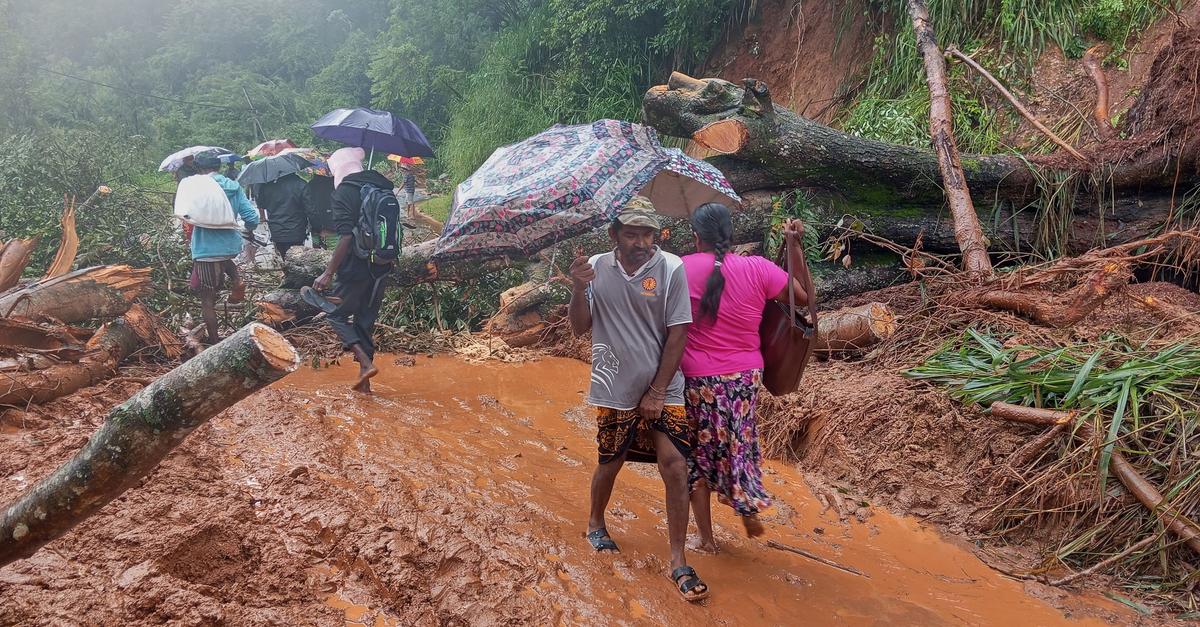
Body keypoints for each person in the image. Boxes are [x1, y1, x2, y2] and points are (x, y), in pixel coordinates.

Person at [568, 196, 708, 603]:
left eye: (648, 233)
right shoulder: (595, 268)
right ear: (614, 235)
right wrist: (579, 289)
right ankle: (596, 522)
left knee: (676, 465)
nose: (642, 241)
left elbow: (679, 331)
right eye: (632, 233)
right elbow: (580, 327)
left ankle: (678, 559)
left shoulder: (671, 267)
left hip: (665, 385)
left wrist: (659, 390)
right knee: (610, 461)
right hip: (613, 385)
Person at [680, 203, 808, 553]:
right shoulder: (759, 269)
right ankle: (745, 501)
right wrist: (794, 247)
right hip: (746, 377)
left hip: (698, 380)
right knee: (739, 441)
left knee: (698, 454)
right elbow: (804, 298)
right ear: (731, 234)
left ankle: (706, 539)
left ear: (695, 237)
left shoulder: (679, 269)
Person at [311, 147, 397, 393]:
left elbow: (346, 237)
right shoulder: (382, 187)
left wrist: (328, 273)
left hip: (354, 267)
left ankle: (365, 362)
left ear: (338, 169)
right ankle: (365, 383)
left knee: (336, 315)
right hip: (381, 265)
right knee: (365, 321)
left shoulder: (344, 193)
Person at [184, 153, 259, 345]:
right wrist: (248, 230)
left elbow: (185, 214)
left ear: (199, 169)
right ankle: (237, 279)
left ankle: (215, 342)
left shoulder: (196, 187)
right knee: (224, 258)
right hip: (230, 245)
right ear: (219, 166)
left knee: (207, 300)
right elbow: (251, 217)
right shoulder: (234, 186)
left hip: (205, 249)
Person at [253, 172, 310, 257]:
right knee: (297, 260)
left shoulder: (267, 186)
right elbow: (309, 207)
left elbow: (261, 204)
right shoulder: (300, 184)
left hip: (277, 231)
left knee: (283, 257)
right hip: (297, 230)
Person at [304, 174, 335, 249]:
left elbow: (309, 208)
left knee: (316, 256)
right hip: (332, 227)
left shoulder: (310, 185)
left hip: (315, 226)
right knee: (333, 255)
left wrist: (316, 227)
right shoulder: (336, 184)